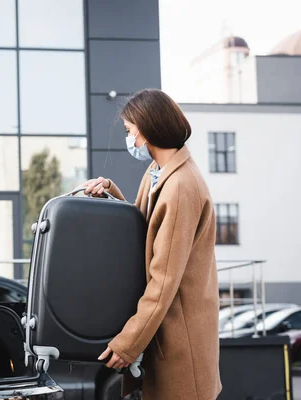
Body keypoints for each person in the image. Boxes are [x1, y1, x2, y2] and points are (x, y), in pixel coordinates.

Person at [83, 89, 222, 400]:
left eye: (129, 131)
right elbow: (146, 227)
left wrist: (128, 342)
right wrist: (109, 190)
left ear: (146, 130)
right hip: (168, 334)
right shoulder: (159, 172)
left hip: (180, 339)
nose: (129, 138)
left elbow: (163, 280)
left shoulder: (181, 187)